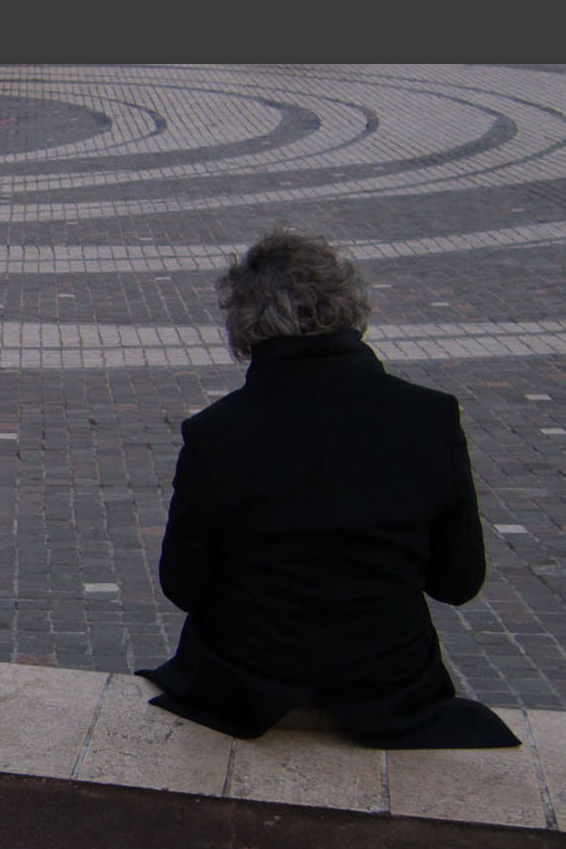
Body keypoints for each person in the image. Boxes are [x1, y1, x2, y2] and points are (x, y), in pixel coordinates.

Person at [136, 228, 520, 749]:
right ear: (351, 307)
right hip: (389, 682)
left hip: (248, 681)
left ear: (245, 324)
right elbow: (458, 582)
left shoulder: (217, 433)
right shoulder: (429, 417)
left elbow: (184, 585)